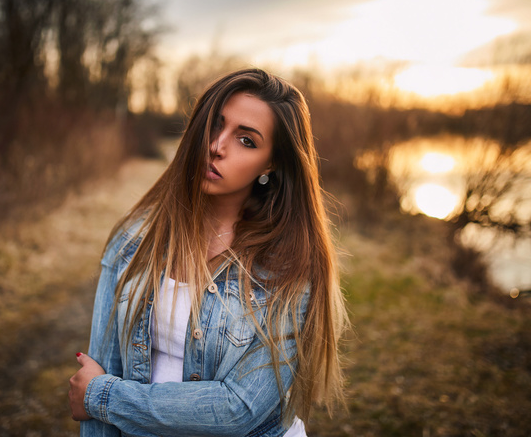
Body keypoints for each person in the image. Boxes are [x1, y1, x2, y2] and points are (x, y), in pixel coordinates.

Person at [68, 68, 348, 437]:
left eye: (246, 140)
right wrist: (98, 397)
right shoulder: (133, 240)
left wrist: (104, 398)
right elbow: (99, 369)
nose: (217, 145)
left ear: (270, 164)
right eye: (215, 125)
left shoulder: (287, 264)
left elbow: (239, 409)